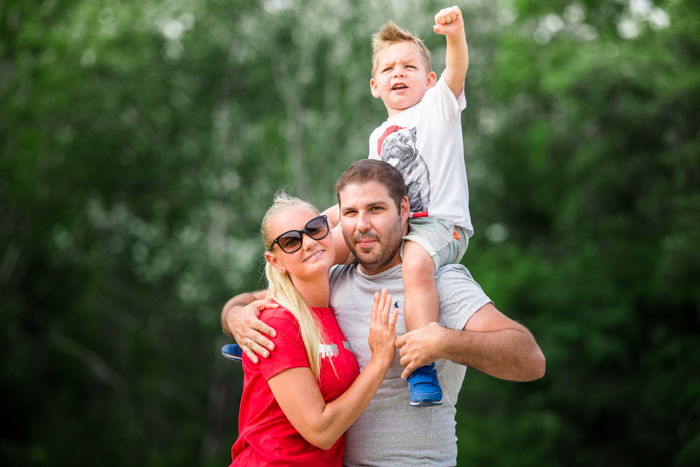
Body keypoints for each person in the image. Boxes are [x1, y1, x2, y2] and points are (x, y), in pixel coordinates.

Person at [222, 160, 546, 466]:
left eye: (376, 209)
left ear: (403, 210)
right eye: (350, 212)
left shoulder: (439, 281)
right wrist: (234, 315)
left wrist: (445, 341)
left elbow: (531, 360)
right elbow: (266, 300)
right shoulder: (329, 281)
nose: (362, 225)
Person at [323, 6, 473, 406]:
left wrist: (454, 35)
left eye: (408, 67)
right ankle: (277, 324)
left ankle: (421, 364)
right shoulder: (378, 136)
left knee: (415, 264)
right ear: (375, 85)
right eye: (388, 69)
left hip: (442, 226)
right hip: (397, 224)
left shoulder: (438, 108)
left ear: (428, 79)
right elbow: (368, 197)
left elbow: (456, 69)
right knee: (314, 251)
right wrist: (319, 224)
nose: (398, 73)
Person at [227, 192, 398, 466]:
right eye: (291, 241)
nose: (308, 243)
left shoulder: (329, 309)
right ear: (275, 262)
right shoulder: (278, 323)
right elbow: (321, 431)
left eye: (315, 229)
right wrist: (379, 363)